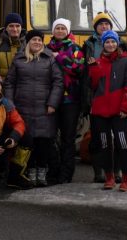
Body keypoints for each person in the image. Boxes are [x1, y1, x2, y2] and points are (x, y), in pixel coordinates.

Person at [4, 29, 63, 186]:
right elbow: (9, 83)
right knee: (27, 142)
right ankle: (29, 171)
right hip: (22, 107)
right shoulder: (19, 59)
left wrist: (52, 103)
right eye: (34, 40)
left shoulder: (49, 59)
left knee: (43, 143)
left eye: (39, 40)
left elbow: (58, 82)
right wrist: (10, 104)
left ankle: (42, 172)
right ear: (28, 42)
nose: (37, 42)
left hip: (45, 108)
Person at [82, 11, 127, 183]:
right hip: (96, 97)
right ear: (95, 27)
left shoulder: (121, 45)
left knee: (116, 138)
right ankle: (99, 171)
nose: (104, 26)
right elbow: (86, 74)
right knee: (98, 138)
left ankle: (116, 171)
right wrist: (86, 100)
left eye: (107, 24)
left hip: (115, 98)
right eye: (100, 24)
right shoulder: (88, 44)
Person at [87, 30, 127, 192]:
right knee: (104, 144)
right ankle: (109, 178)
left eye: (113, 42)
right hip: (100, 111)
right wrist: (93, 68)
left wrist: (125, 108)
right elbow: (93, 86)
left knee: (122, 143)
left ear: (117, 43)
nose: (110, 45)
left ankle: (126, 180)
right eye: (107, 42)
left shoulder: (126, 61)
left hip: (118, 111)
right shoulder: (98, 62)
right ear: (103, 44)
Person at [46, 18, 85, 184]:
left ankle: (66, 173)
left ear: (67, 31)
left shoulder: (75, 48)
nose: (60, 31)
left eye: (63, 28)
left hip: (70, 99)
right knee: (50, 136)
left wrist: (60, 58)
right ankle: (53, 170)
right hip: (50, 99)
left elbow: (78, 68)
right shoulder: (46, 48)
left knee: (68, 139)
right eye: (57, 28)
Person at [0, 12, 26, 79]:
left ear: (21, 27)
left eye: (17, 26)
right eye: (11, 26)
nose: (15, 29)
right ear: (6, 28)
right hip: (3, 86)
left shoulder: (29, 44)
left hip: (22, 86)